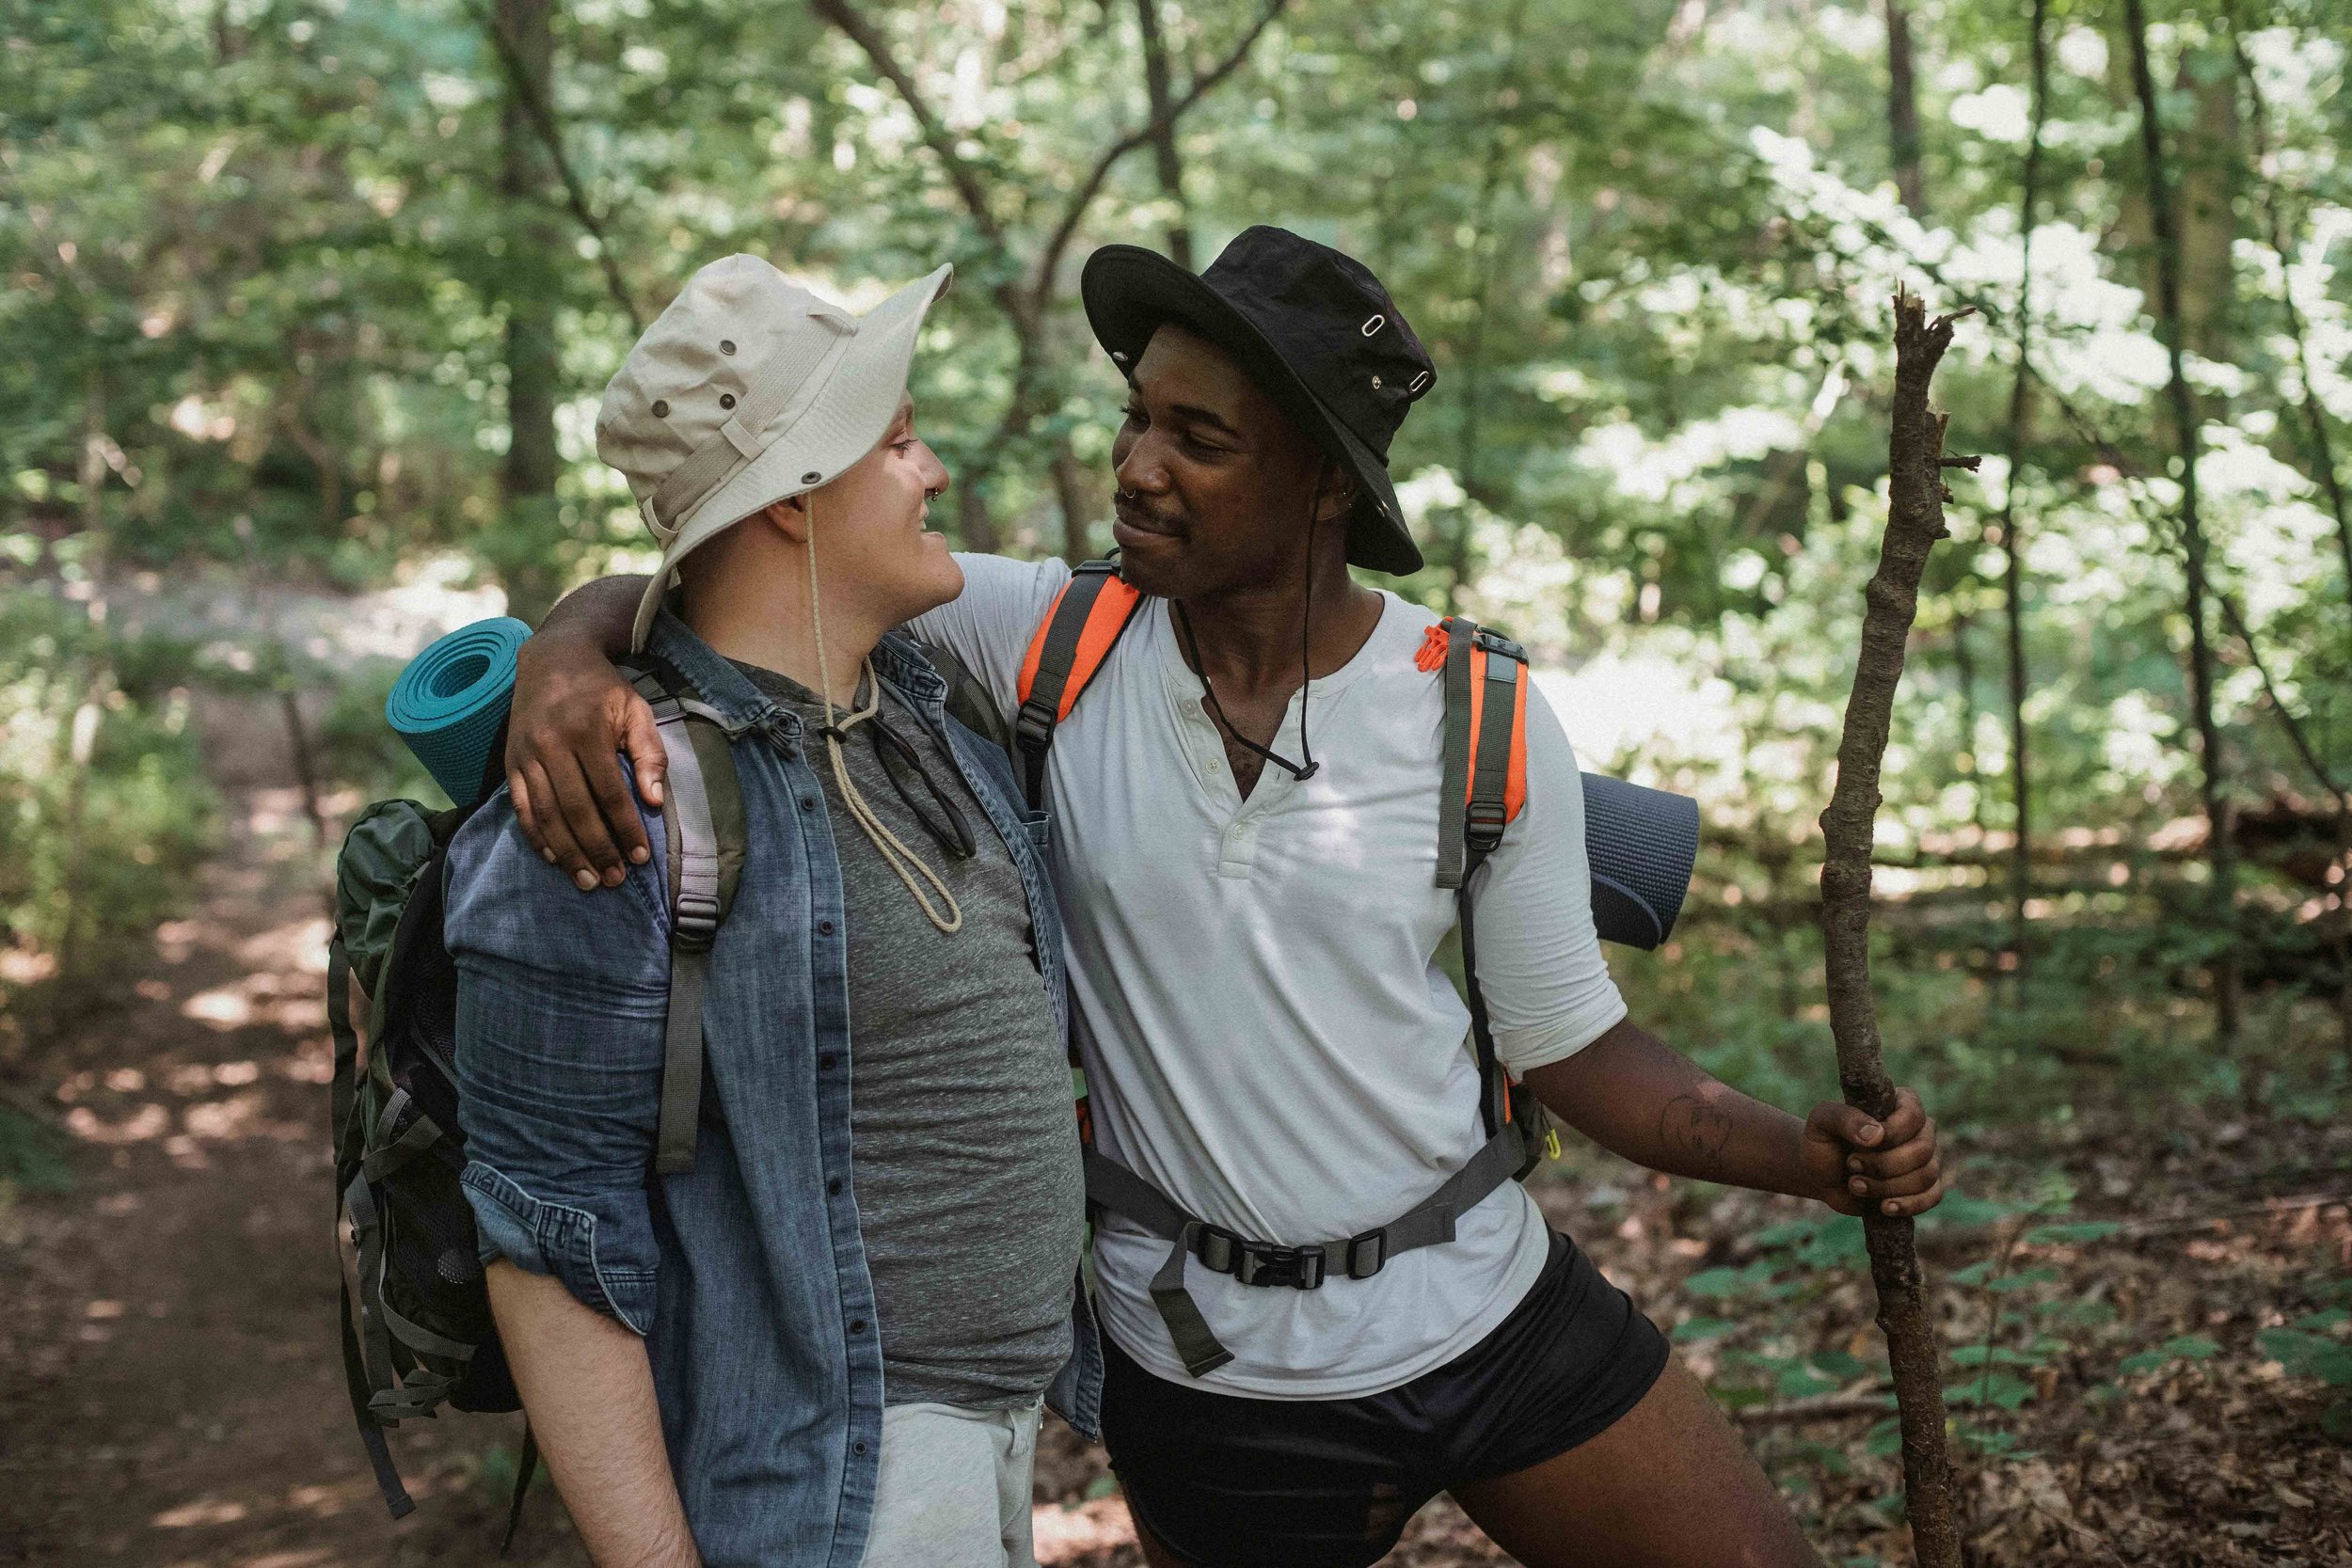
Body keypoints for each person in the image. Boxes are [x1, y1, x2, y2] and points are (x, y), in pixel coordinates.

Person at [504, 229, 1945, 1568]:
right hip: (1204, 1376)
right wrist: (562, 661)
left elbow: (1568, 1042)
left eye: (1200, 439)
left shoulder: (1479, 715)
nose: (1138, 466)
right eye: (1140, 417)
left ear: (1326, 482)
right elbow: (743, 562)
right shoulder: (1042, 638)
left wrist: (1801, 1158)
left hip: (1491, 1309)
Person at [444, 252, 1100, 1568]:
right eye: (898, 443)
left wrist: (569, 634)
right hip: (832, 1480)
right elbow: (548, 1248)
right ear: (796, 500)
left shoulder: (907, 697)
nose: (934, 474)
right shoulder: (612, 807)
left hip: (989, 1440)